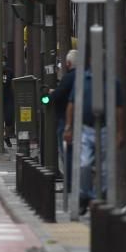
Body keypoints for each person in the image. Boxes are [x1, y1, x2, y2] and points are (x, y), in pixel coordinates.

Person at [64, 70, 125, 215]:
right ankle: (85, 196)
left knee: (104, 168)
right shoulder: (82, 79)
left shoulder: (113, 81)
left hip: (105, 128)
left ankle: (100, 198)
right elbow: (71, 104)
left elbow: (119, 108)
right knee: (84, 164)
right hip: (85, 128)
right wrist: (68, 127)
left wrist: (120, 131)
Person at [49, 50, 77, 189]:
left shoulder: (69, 77)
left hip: (65, 120)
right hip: (80, 120)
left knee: (67, 151)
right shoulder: (85, 75)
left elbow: (58, 95)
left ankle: (70, 182)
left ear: (68, 63)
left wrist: (50, 96)